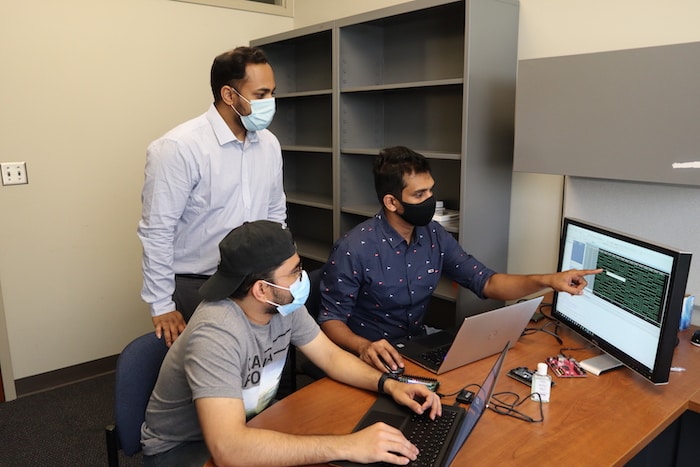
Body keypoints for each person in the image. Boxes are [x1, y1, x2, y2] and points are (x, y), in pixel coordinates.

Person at [140, 220, 442, 467]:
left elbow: (331, 357)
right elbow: (228, 450)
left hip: (247, 426)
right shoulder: (216, 334)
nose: (303, 277)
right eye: (295, 271)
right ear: (261, 289)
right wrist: (349, 446)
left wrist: (390, 384)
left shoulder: (284, 307)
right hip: (184, 449)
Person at [318, 146, 602, 373]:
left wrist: (549, 280)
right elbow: (331, 320)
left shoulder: (433, 235)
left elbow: (487, 282)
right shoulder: (354, 248)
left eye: (431, 190)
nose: (430, 199)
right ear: (392, 202)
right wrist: (364, 346)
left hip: (416, 348)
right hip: (367, 358)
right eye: (420, 194)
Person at [137, 46, 286, 347]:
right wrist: (162, 305)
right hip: (198, 283)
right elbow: (158, 232)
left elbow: (274, 213)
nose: (270, 102)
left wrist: (279, 272)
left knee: (257, 364)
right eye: (260, 95)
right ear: (229, 95)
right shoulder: (179, 148)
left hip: (254, 279)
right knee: (209, 372)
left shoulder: (269, 144)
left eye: (272, 93)